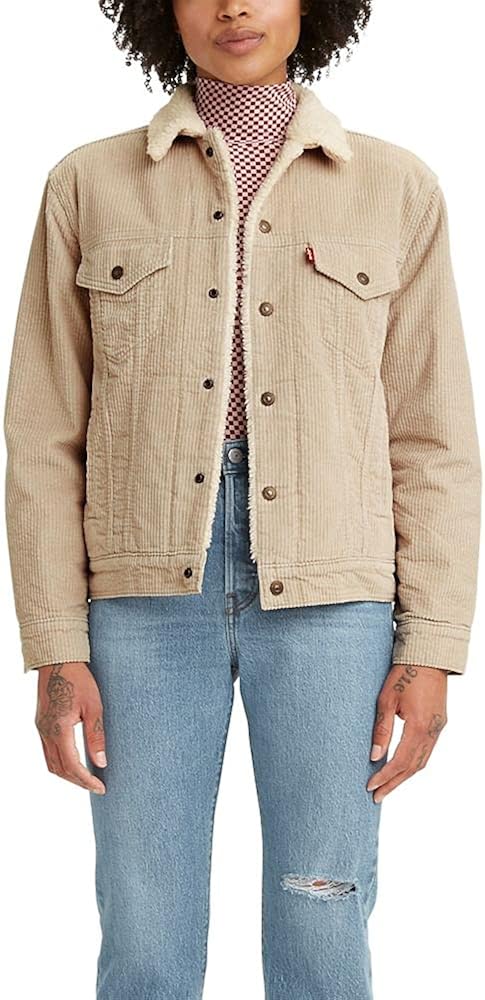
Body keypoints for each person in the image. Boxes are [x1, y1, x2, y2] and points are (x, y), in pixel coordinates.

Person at [3, 2, 481, 998]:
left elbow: (432, 437)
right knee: (144, 933)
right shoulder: (88, 183)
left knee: (321, 914)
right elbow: (42, 436)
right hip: (139, 596)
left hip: (333, 593)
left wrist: (432, 646)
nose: (233, 6)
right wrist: (53, 643)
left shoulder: (396, 187)